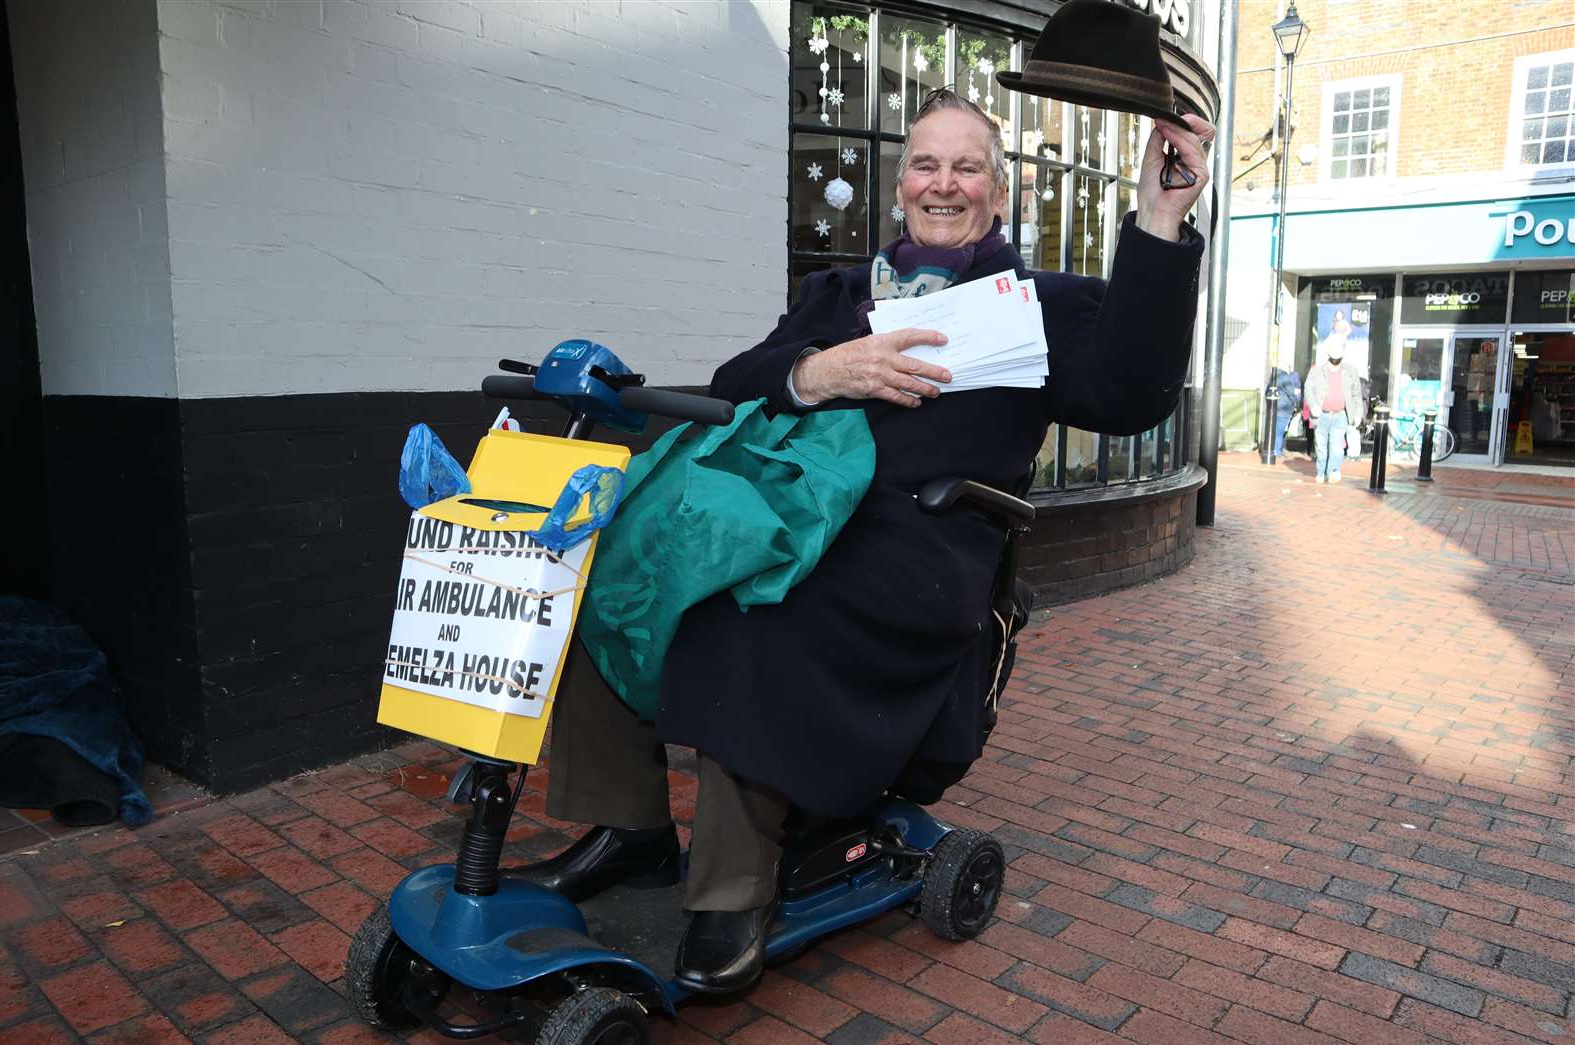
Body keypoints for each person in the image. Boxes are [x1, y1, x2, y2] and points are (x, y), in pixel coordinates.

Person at [512, 88, 1213, 994]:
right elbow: (739, 382)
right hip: (786, 515)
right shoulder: (838, 294)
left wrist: (1159, 217)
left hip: (917, 545)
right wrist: (819, 369)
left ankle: (731, 889)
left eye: (967, 167)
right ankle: (631, 829)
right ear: (898, 186)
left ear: (998, 196)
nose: (944, 184)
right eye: (926, 164)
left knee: (748, 615)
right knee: (606, 576)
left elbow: (1130, 395)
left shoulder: (1042, 307)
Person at [1305, 335, 1365, 482]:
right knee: (1321, 447)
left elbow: (1357, 394)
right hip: (1321, 415)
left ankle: (1333, 471)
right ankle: (1321, 472)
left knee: (1337, 447)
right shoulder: (1316, 371)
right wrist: (1313, 405)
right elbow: (1308, 388)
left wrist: (1358, 414)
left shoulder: (1351, 371)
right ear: (1328, 354)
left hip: (1341, 415)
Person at [1266, 362, 1302, 460]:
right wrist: (1295, 401)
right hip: (1284, 408)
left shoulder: (1273, 376)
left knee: (1274, 430)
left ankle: (1273, 449)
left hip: (1274, 407)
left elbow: (1267, 391)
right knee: (1280, 431)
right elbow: (1290, 392)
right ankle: (1277, 451)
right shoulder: (1285, 377)